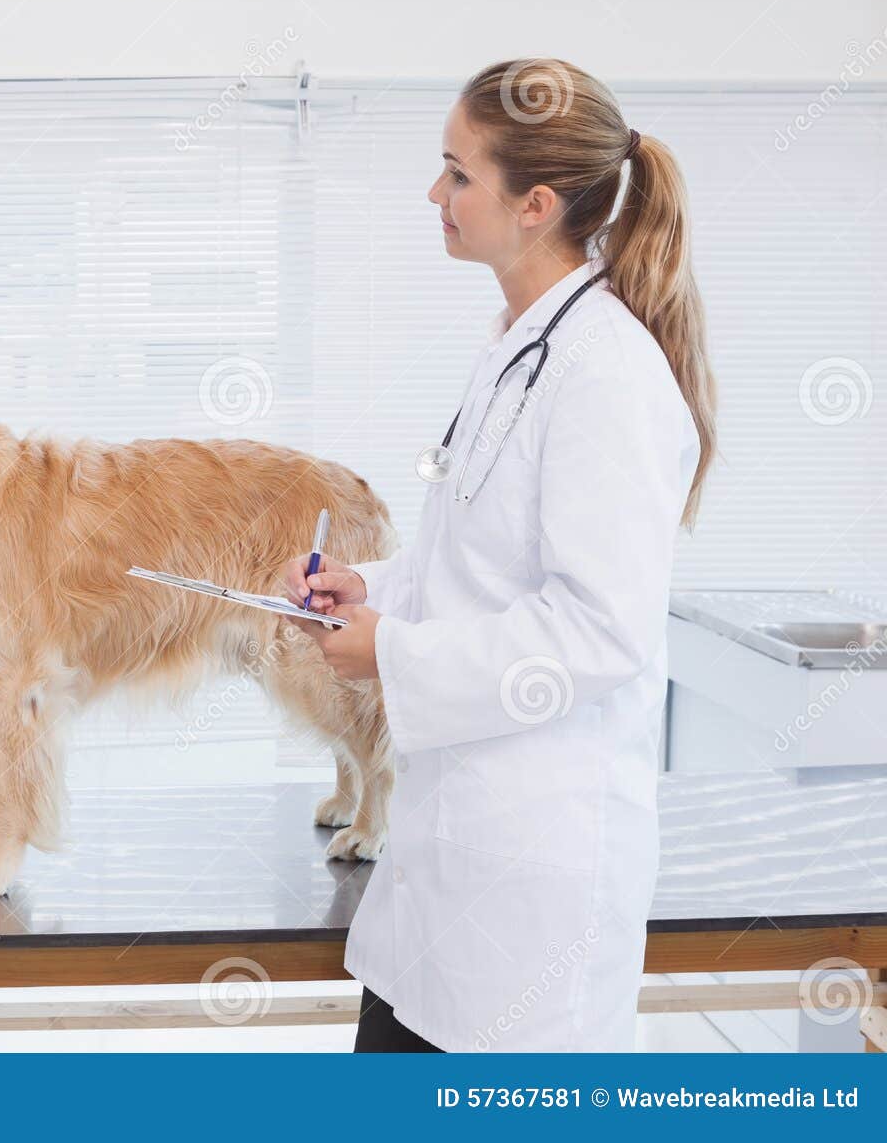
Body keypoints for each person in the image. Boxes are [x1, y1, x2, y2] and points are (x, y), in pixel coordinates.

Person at [283, 58, 716, 1052]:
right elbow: (479, 562)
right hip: (448, 868)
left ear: (535, 204)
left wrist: (389, 650)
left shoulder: (607, 374)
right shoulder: (520, 347)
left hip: (531, 893)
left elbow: (598, 629)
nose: (433, 193)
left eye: (457, 172)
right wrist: (367, 588)